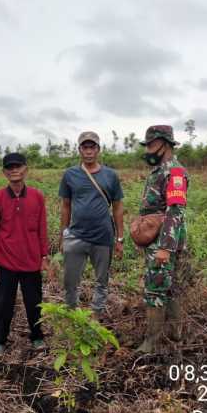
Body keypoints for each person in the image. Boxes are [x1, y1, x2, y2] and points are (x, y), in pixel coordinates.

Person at [0, 153, 49, 357]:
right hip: (5, 262)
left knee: (34, 303)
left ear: (25, 169)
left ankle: (37, 336)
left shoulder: (37, 196)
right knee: (3, 303)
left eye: (18, 166)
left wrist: (44, 257)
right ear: (4, 172)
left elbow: (42, 228)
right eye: (9, 167)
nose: (14, 170)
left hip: (31, 262)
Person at [136, 125, 189, 353]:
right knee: (171, 288)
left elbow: (175, 210)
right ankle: (174, 338)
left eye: (151, 144)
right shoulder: (159, 170)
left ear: (165, 144)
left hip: (164, 241)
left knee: (156, 289)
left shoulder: (174, 172)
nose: (148, 149)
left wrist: (165, 248)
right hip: (157, 239)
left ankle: (153, 343)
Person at [58, 131, 124, 315]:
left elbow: (118, 208)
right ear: (79, 150)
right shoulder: (70, 174)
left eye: (92, 147)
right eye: (84, 147)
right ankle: (72, 315)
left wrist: (120, 238)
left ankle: (96, 317)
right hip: (75, 236)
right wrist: (63, 235)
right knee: (70, 281)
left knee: (101, 281)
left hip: (103, 236)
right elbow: (65, 206)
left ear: (98, 149)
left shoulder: (111, 175)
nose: (88, 151)